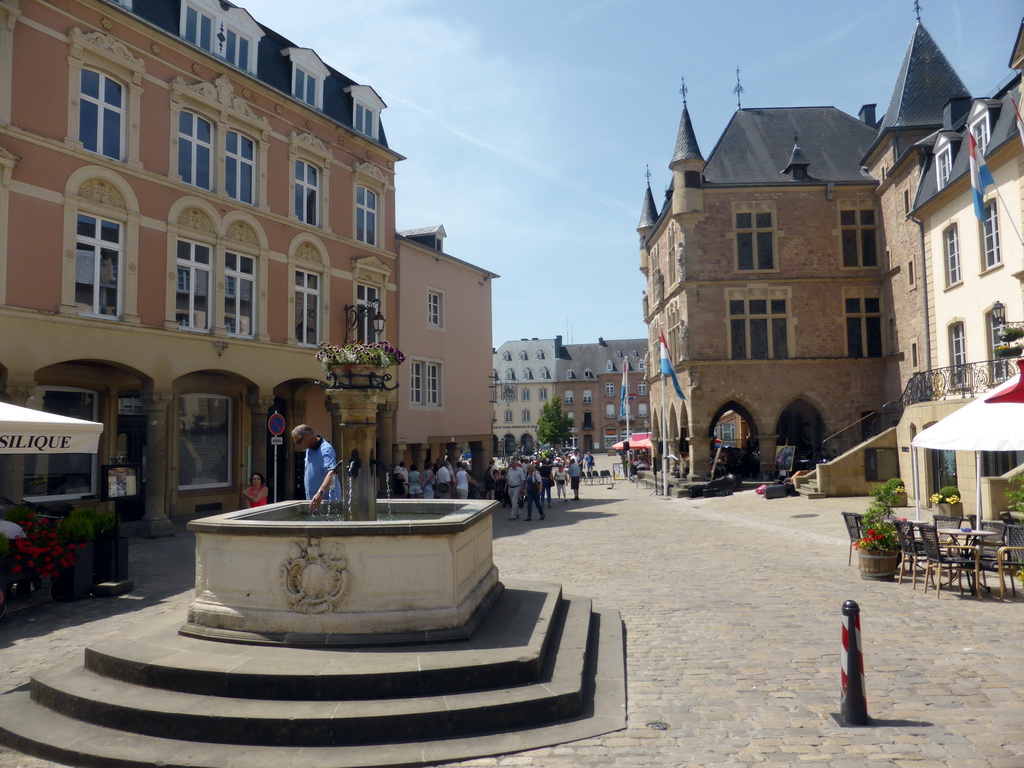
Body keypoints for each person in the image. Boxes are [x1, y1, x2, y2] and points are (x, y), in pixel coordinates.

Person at [291, 424, 340, 511]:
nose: (297, 445)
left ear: (307, 437)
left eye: (298, 442)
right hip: (313, 502)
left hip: (327, 502)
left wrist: (320, 492)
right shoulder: (308, 449)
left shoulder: (326, 449)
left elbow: (332, 473)